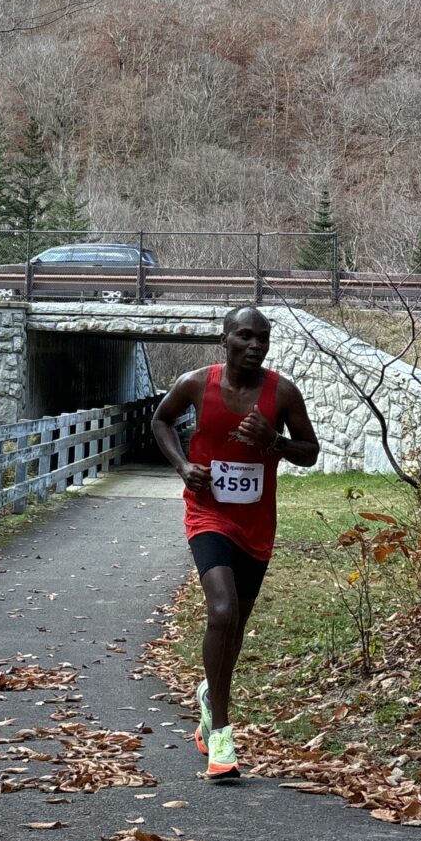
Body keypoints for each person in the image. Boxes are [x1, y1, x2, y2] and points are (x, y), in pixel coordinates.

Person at [151, 306, 319, 780]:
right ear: (223, 340)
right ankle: (221, 731)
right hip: (208, 514)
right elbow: (161, 421)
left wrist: (275, 441)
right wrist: (184, 467)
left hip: (256, 525)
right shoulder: (194, 384)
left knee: (236, 624)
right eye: (245, 336)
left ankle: (211, 694)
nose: (255, 345)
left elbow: (310, 452)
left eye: (262, 338)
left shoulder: (282, 393)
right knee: (221, 610)